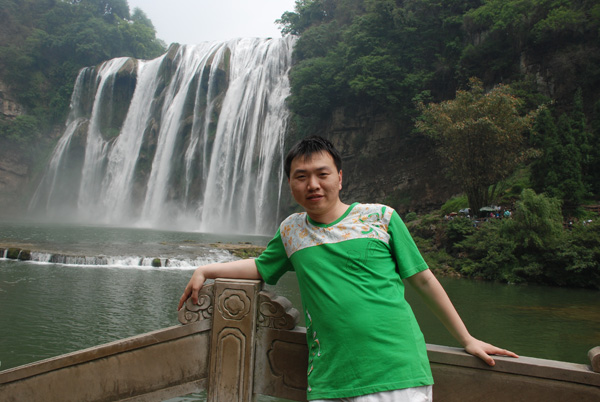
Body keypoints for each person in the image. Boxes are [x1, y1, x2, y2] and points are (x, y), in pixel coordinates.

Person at [178, 136, 518, 402]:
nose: (313, 184)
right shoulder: (292, 231)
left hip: (395, 373)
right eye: (301, 177)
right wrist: (207, 269)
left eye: (322, 174)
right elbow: (261, 266)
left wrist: (466, 339)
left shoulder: (380, 218)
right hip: (328, 379)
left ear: (339, 178)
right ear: (291, 184)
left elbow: (424, 280)